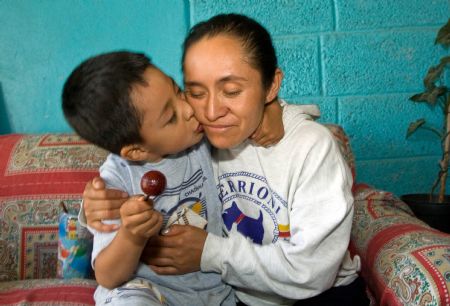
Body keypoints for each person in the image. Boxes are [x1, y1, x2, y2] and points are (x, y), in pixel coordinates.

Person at [81, 14, 369, 306]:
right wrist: (97, 203)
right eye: (195, 92)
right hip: (244, 297)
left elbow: (311, 272)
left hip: (322, 296)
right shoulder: (199, 138)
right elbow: (142, 151)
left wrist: (209, 252)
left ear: (271, 86)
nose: (209, 111)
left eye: (231, 91)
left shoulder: (312, 148)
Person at [62, 51, 239, 305]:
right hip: (148, 290)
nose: (189, 109)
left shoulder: (206, 140)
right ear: (137, 151)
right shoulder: (116, 181)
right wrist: (132, 236)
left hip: (214, 292)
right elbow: (107, 276)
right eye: (171, 117)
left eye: (178, 91)